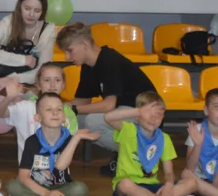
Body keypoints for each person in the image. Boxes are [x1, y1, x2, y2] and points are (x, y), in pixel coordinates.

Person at [57, 22, 156, 174]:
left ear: (84, 44)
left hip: (146, 113)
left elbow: (108, 105)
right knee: (71, 119)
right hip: (123, 113)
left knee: (92, 121)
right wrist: (57, 108)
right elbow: (82, 101)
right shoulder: (88, 65)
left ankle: (142, 154)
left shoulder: (109, 60)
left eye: (70, 51)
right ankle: (124, 155)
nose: (67, 56)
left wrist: (74, 109)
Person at [5, 93, 98, 196]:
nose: (55, 113)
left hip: (62, 188)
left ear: (64, 117)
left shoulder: (69, 139)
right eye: (49, 109)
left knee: (80, 189)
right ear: (37, 117)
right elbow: (23, 176)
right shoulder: (32, 142)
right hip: (36, 189)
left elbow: (60, 166)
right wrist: (45, 193)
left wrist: (76, 137)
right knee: (13, 186)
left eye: (59, 109)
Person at [105, 92, 200, 196]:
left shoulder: (164, 138)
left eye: (158, 115)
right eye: (148, 114)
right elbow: (108, 117)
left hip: (153, 187)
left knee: (192, 183)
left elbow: (169, 172)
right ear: (137, 115)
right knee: (124, 184)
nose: (153, 119)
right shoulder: (128, 130)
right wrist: (138, 111)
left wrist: (169, 185)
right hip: (132, 187)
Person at [0, 0, 56, 95]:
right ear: (20, 5)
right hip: (1, 80)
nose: (31, 14)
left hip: (30, 83)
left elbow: (43, 71)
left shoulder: (48, 31)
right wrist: (22, 60)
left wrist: (13, 78)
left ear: (43, 11)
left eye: (37, 10)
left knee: (31, 99)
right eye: (27, 8)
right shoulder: (8, 22)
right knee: (10, 96)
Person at [0, 62, 77, 162]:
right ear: (38, 85)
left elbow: (69, 144)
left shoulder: (68, 113)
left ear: (63, 85)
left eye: (57, 80)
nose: (52, 85)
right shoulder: (26, 106)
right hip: (27, 173)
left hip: (58, 172)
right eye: (47, 80)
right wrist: (9, 98)